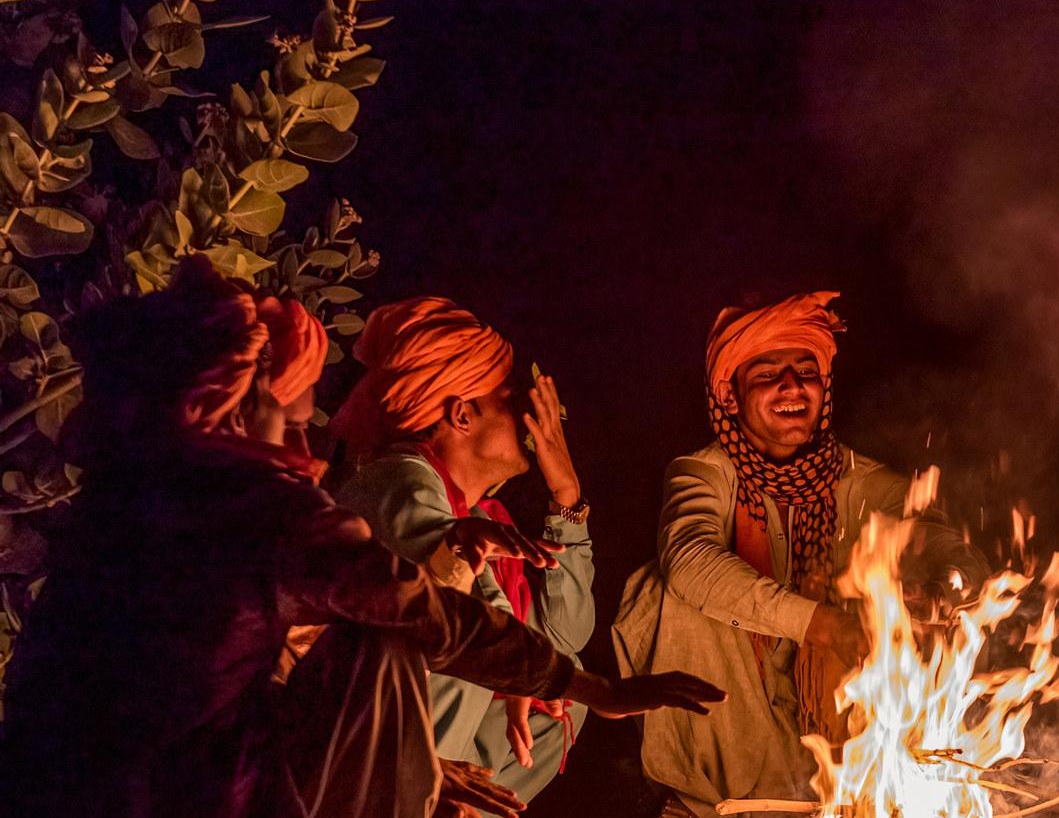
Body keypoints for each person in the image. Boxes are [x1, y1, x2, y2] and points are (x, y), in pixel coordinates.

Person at [0, 258, 724, 818]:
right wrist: (589, 686)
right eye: (290, 420)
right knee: (379, 647)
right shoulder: (271, 507)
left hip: (79, 789)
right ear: (232, 406)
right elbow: (422, 614)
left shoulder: (126, 504)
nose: (307, 448)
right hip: (168, 797)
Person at [613, 291, 989, 817]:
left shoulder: (860, 480)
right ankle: (716, 797)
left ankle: (868, 785)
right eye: (768, 374)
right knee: (666, 591)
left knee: (894, 594)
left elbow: (937, 535)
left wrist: (950, 580)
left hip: (831, 743)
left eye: (806, 371)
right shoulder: (702, 472)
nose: (792, 386)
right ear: (730, 396)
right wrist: (823, 625)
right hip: (734, 741)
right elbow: (689, 558)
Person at [332, 296, 598, 806]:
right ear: (461, 414)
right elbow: (469, 619)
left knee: (561, 707)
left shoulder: (475, 515)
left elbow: (565, 636)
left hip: (411, 760)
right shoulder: (400, 482)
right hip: (360, 765)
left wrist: (567, 498)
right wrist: (574, 683)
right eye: (509, 400)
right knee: (489, 662)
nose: (528, 417)